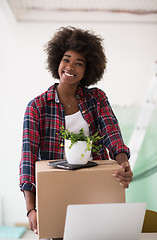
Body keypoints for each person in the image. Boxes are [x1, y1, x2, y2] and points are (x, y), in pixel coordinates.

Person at [19, 26, 133, 238]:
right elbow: (28, 159)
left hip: (95, 190)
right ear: (57, 62)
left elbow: (112, 133)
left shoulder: (96, 99)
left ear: (87, 70)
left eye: (79, 63)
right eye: (66, 59)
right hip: (56, 193)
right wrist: (31, 209)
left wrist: (123, 162)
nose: (70, 67)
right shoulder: (37, 107)